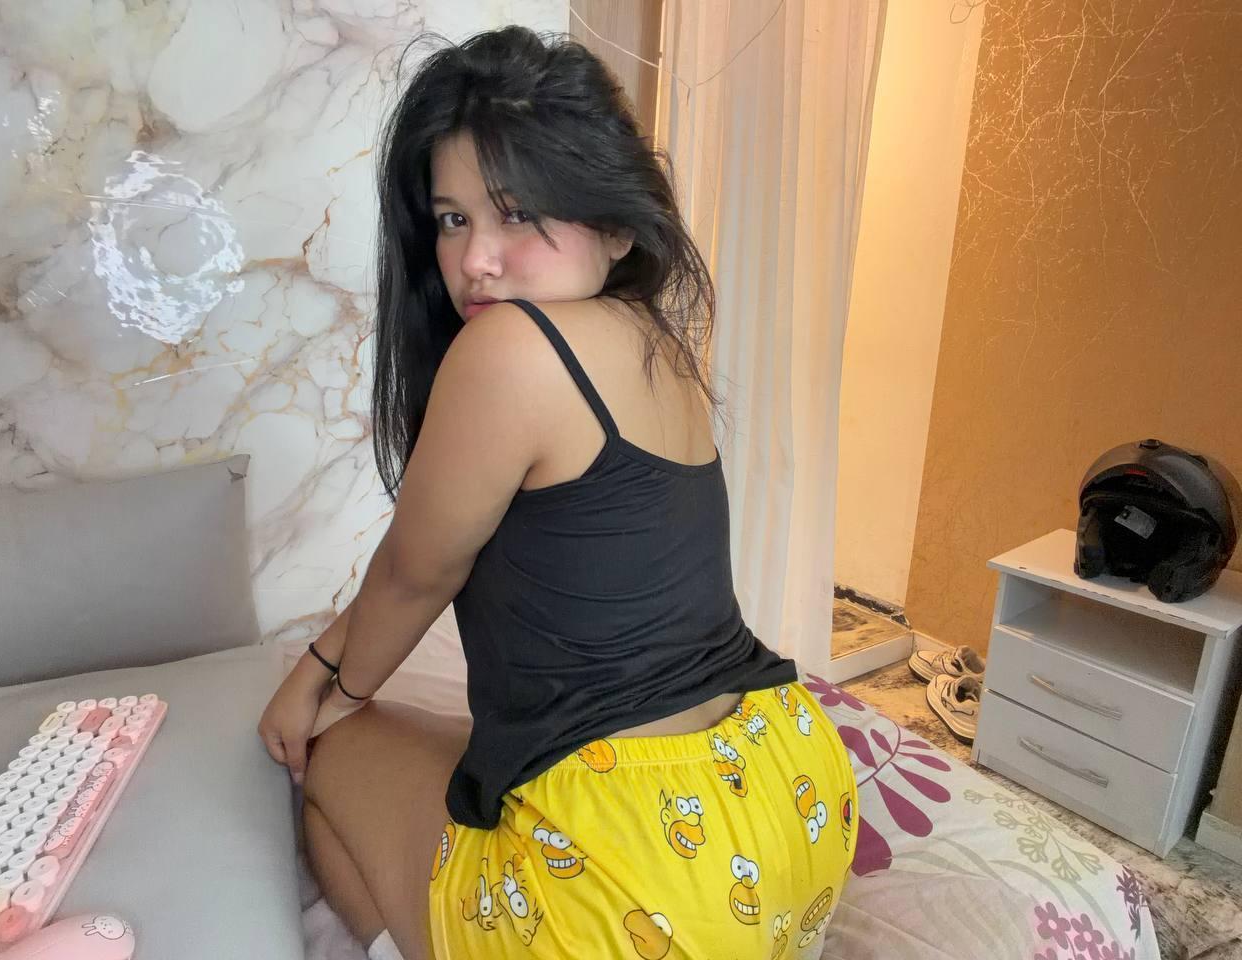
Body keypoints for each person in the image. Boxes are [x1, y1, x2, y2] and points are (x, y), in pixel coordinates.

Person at [258, 25, 858, 960]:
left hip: (645, 882)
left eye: (518, 213)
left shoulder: (509, 347)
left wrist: (318, 692)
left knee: (328, 759)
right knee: (435, 749)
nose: (475, 259)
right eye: (452, 219)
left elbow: (416, 576)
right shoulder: (656, 341)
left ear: (617, 224)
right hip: (792, 795)